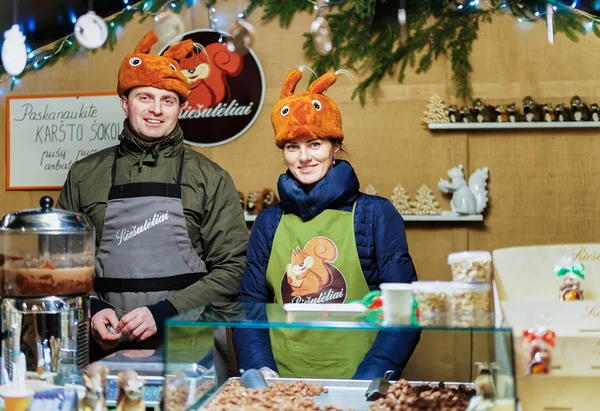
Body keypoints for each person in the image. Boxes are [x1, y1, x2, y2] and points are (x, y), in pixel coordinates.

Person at [57, 31, 248, 354]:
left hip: (190, 344)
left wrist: (166, 311)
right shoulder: (83, 175)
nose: (156, 109)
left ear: (180, 109)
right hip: (106, 347)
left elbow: (233, 269)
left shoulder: (210, 178)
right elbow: (61, 263)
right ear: (124, 103)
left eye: (168, 100)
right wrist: (92, 307)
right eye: (145, 97)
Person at [233, 68, 420, 380]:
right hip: (283, 382)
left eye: (315, 144)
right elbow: (251, 307)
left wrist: (367, 381)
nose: (304, 157)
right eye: (293, 147)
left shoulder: (375, 215)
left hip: (359, 381)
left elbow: (405, 309)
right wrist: (261, 369)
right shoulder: (268, 222)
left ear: (335, 147)